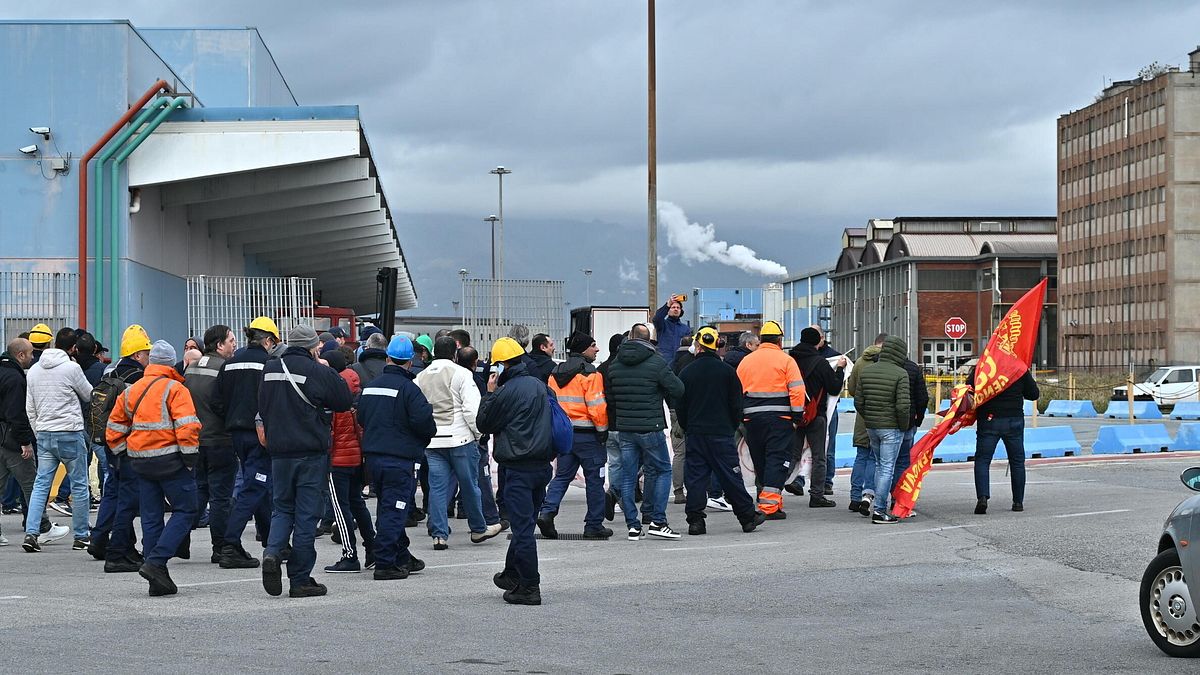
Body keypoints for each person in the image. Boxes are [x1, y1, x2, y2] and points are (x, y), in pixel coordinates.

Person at [257, 324, 353, 598]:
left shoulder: (270, 368)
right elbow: (344, 400)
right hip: (310, 453)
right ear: (313, 347)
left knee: (282, 509)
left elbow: (262, 406)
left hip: (279, 452)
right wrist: (326, 369)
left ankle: (272, 552)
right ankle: (300, 579)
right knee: (307, 516)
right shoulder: (317, 371)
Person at [106, 341, 200, 596]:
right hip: (171, 461)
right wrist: (189, 458)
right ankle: (156, 562)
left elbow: (113, 427)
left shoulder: (132, 390)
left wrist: (122, 450)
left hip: (139, 462)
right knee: (186, 509)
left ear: (150, 362)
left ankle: (156, 576)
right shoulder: (176, 389)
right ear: (170, 364)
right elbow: (188, 426)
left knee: (151, 516)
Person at [477, 337, 556, 605]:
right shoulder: (539, 386)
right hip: (542, 466)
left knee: (522, 529)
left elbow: (484, 423)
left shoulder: (504, 392)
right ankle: (512, 573)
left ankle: (529, 587)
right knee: (527, 521)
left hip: (517, 467)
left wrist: (489, 392)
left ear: (500, 366)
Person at [357, 335, 437, 580]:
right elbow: (426, 425)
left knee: (387, 507)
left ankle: (401, 555)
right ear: (410, 361)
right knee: (395, 509)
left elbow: (361, 418)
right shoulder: (409, 389)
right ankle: (385, 562)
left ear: (388, 357)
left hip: (373, 458)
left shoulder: (371, 386)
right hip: (399, 459)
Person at [415, 336, 502, 550]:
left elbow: (418, 411)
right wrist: (479, 433)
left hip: (433, 442)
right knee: (470, 485)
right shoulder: (462, 374)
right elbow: (471, 410)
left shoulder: (420, 377)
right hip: (460, 438)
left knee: (437, 488)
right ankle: (478, 528)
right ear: (455, 354)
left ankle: (439, 534)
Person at [676, 328, 765, 535]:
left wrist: (689, 426)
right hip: (721, 433)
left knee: (696, 478)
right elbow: (736, 404)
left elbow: (680, 405)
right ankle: (747, 517)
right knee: (730, 476)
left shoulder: (687, 372)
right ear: (717, 346)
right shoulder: (727, 372)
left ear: (698, 346)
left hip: (696, 433)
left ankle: (696, 521)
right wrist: (732, 425)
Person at [606, 323, 685, 540]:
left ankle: (633, 525)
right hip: (651, 427)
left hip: (625, 428)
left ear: (629, 337)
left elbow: (611, 394)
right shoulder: (656, 362)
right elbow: (678, 389)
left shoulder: (615, 365)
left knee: (628, 474)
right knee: (662, 470)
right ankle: (657, 521)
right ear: (649, 339)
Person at [215, 316, 281, 569]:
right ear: (266, 340)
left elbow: (217, 401)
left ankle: (272, 540)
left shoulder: (230, 363)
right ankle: (229, 544)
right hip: (260, 434)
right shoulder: (269, 364)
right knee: (254, 486)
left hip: (236, 434)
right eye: (273, 341)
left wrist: (233, 418)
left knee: (259, 483)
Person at [22, 328, 94, 551]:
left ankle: (32, 533)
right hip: (70, 432)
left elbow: (29, 408)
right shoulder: (72, 368)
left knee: (41, 484)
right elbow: (88, 394)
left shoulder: (34, 370)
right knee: (79, 485)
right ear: (73, 348)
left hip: (44, 433)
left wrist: (38, 430)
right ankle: (81, 536)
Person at [537, 331, 612, 539]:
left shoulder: (555, 373)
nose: (596, 349)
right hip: (588, 435)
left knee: (561, 476)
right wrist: (603, 432)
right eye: (593, 345)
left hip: (564, 435)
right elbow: (597, 407)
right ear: (583, 349)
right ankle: (594, 525)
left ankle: (547, 512)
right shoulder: (591, 374)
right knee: (595, 480)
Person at [89, 325, 151, 570]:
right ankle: (117, 553)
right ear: (137, 355)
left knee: (113, 493)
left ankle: (105, 541)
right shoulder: (138, 378)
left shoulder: (109, 372)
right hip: (129, 446)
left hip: (109, 442)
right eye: (146, 353)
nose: (148, 357)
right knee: (128, 498)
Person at [736, 320, 806, 520]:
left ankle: (770, 501)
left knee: (761, 459)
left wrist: (742, 416)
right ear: (779, 339)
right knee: (777, 460)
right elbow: (797, 390)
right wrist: (796, 416)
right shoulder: (786, 360)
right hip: (780, 419)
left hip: (752, 419)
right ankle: (769, 507)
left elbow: (736, 391)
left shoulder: (747, 361)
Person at [184, 324, 237, 563]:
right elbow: (227, 405)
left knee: (198, 491)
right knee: (220, 497)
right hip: (220, 439)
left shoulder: (191, 368)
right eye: (231, 340)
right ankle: (220, 547)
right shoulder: (225, 369)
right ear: (219, 345)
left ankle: (180, 540)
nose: (234, 344)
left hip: (195, 440)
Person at [0, 338, 58, 546]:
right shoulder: (15, 379)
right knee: (32, 484)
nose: (33, 357)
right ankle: (42, 527)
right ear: (20, 355)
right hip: (12, 441)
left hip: (1, 438)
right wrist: (25, 442)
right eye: (31, 353)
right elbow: (16, 413)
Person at [322, 350, 376, 572]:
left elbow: (329, 431)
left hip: (338, 459)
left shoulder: (333, 393)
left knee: (340, 507)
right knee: (357, 503)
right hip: (356, 456)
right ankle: (372, 547)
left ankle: (349, 554)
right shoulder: (356, 387)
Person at [853, 335, 911, 524]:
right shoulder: (901, 373)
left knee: (878, 465)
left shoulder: (867, 371)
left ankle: (873, 503)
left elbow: (858, 401)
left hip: (872, 427)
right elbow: (903, 406)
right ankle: (879, 510)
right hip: (891, 428)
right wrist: (902, 426)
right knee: (887, 468)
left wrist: (869, 418)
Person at [787, 327, 845, 508]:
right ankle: (817, 495)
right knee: (820, 455)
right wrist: (840, 370)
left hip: (793, 414)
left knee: (792, 454)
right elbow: (834, 388)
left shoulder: (790, 360)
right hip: (815, 415)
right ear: (817, 342)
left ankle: (772, 490)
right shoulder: (820, 362)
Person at [969, 366, 1039, 514]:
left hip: (988, 419)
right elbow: (1034, 394)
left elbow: (968, 391)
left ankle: (982, 497)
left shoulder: (982, 366)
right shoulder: (1018, 368)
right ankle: (1018, 502)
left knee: (982, 460)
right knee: (1017, 461)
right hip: (1014, 419)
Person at [846, 335, 884, 516]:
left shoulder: (860, 362)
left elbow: (852, 389)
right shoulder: (887, 362)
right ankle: (867, 495)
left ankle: (854, 496)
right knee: (873, 458)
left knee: (860, 456)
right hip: (881, 416)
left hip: (862, 416)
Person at [890, 350, 930, 512]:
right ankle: (897, 500)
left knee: (883, 464)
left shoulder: (878, 366)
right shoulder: (912, 368)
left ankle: (873, 499)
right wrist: (918, 419)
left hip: (883, 423)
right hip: (907, 422)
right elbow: (922, 398)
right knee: (902, 462)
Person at [652, 294, 691, 367]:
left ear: (681, 311)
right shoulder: (662, 325)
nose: (676, 309)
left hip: (679, 364)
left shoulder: (685, 328)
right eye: (673, 307)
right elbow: (656, 318)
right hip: (664, 363)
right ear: (668, 310)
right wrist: (668, 304)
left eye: (678, 308)